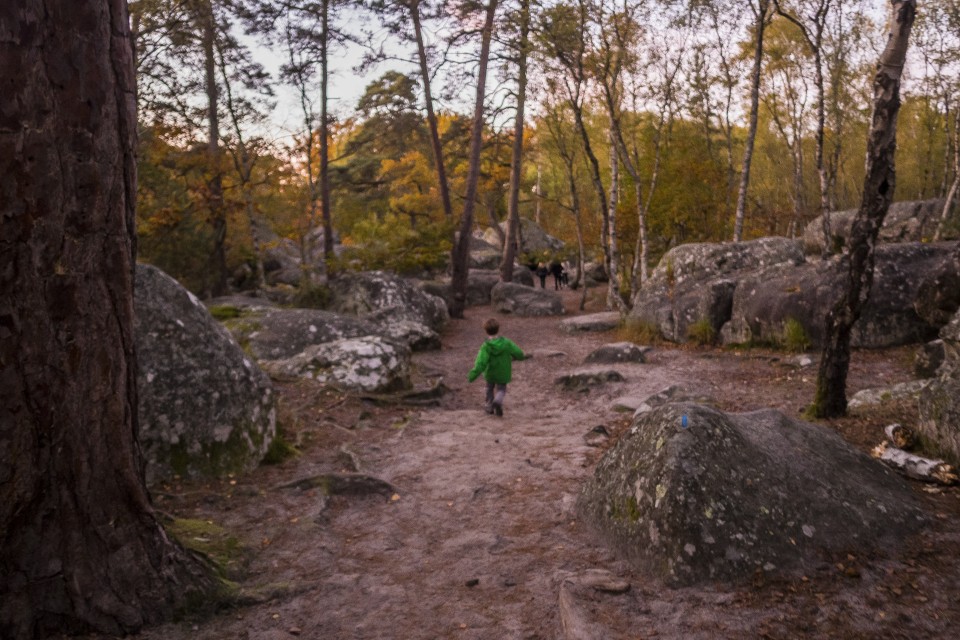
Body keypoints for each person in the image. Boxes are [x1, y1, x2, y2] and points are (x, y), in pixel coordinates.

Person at [467, 318, 529, 417]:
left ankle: (489, 406)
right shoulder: (506, 343)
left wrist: (472, 375)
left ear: (486, 330)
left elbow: (481, 362)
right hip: (503, 371)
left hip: (490, 372)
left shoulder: (486, 346)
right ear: (498, 329)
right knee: (501, 389)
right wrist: (520, 357)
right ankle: (498, 401)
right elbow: (518, 352)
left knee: (489, 388)